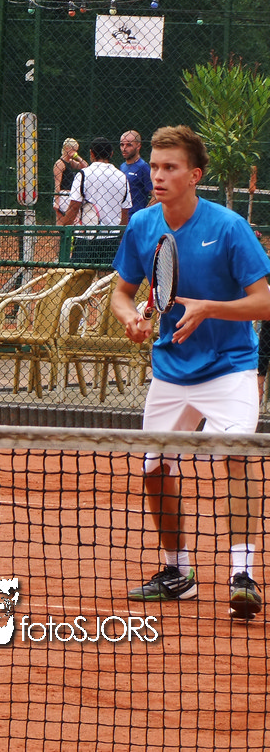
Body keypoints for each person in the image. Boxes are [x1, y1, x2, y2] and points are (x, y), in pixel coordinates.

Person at [112, 124, 270, 621]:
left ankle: (242, 576)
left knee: (237, 456)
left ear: (194, 175)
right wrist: (131, 319)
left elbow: (265, 302)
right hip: (171, 371)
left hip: (229, 367)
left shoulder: (229, 227)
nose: (158, 176)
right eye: (155, 166)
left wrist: (209, 309)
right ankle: (177, 573)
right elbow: (121, 292)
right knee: (154, 468)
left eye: (170, 168)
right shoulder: (142, 226)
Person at [57, 136, 131, 268]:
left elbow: (73, 208)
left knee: (80, 277)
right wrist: (119, 236)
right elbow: (125, 212)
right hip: (111, 238)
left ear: (91, 153)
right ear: (111, 154)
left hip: (86, 238)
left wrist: (63, 228)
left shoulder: (83, 174)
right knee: (106, 278)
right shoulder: (122, 177)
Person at [119, 130, 153, 213]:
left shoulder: (143, 167)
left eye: (129, 145)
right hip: (123, 216)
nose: (124, 148)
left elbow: (155, 196)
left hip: (136, 214)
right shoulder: (122, 166)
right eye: (122, 145)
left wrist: (144, 213)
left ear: (138, 146)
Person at [52, 137, 87, 219]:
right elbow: (57, 184)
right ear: (67, 148)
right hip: (63, 195)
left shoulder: (70, 162)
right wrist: (57, 202)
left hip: (71, 195)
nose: (75, 152)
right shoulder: (60, 164)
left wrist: (77, 157)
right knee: (63, 221)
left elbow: (85, 166)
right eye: (74, 150)